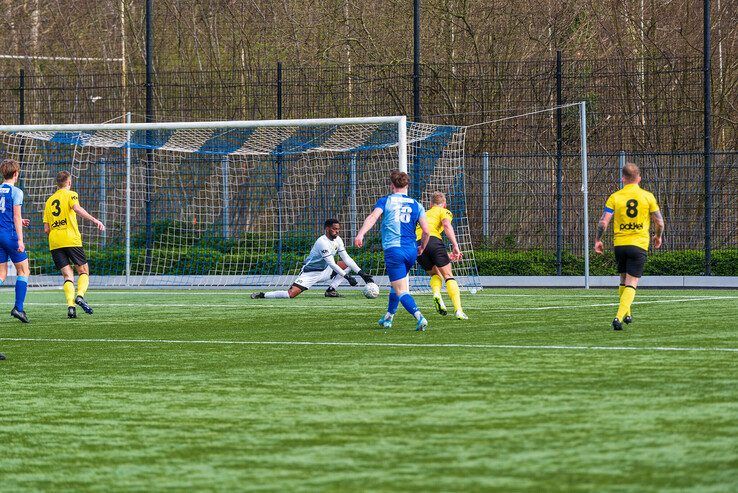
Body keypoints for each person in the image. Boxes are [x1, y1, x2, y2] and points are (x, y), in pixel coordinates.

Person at [355, 170, 431, 331]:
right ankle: (388, 317)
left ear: (391, 185)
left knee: (401, 289)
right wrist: (422, 247)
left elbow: (373, 218)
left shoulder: (386, 201)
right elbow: (426, 231)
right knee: (396, 285)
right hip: (411, 251)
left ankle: (419, 317)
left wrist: (361, 234)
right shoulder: (417, 205)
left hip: (394, 250)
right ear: (407, 186)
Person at [595, 162, 664, 330]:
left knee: (623, 279)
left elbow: (603, 222)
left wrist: (598, 240)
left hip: (620, 245)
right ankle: (618, 318)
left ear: (623, 179)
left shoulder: (615, 197)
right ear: (639, 178)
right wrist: (658, 236)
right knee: (632, 282)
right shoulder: (648, 196)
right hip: (638, 244)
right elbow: (660, 222)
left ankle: (628, 313)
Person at [251, 219, 374, 299]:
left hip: (325, 271)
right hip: (310, 272)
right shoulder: (322, 242)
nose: (336, 231)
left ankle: (331, 290)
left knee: (345, 264)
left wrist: (361, 273)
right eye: (334, 229)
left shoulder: (338, 240)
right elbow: (331, 263)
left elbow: (346, 258)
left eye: (338, 229)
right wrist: (347, 277)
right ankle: (263, 295)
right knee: (290, 294)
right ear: (327, 229)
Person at [43, 171, 106, 319]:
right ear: (69, 183)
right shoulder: (71, 194)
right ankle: (80, 296)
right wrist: (95, 220)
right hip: (71, 239)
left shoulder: (49, 201)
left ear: (57, 183)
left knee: (67, 275)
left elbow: (46, 229)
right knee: (83, 270)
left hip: (55, 241)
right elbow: (77, 209)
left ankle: (71, 307)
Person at [416, 191, 468, 320]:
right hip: (433, 240)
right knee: (448, 276)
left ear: (430, 204)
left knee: (435, 274)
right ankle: (458, 310)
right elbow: (446, 225)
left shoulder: (422, 214)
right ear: (444, 204)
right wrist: (455, 246)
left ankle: (436, 293)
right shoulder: (443, 211)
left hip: (417, 244)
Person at [0, 158, 31, 323]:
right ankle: (18, 308)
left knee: (2, 274)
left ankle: (19, 308)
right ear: (16, 174)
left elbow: (5, 214)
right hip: (10, 236)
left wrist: (19, 220)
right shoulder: (16, 192)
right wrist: (20, 240)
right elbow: (16, 216)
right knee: (24, 271)